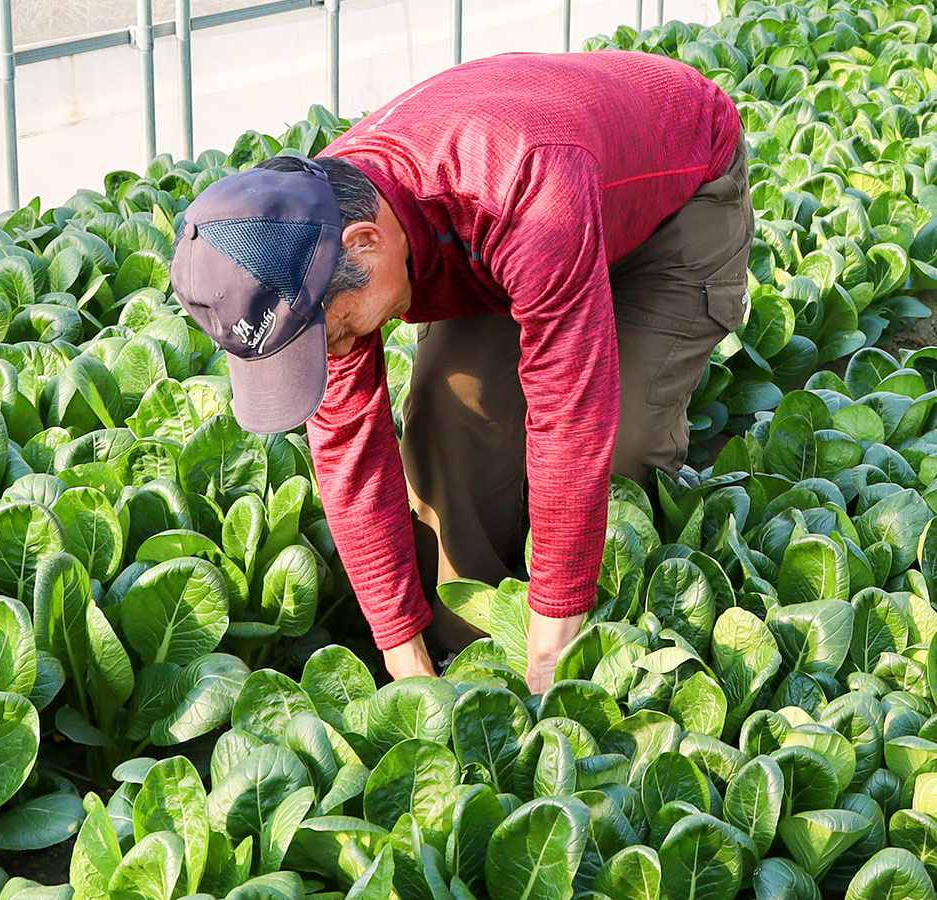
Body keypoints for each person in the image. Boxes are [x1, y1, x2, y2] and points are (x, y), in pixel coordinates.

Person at [168, 49, 751, 692]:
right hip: (520, 228)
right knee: (450, 423)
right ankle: (467, 649)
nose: (333, 353)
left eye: (333, 332)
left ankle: (598, 646)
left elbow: (570, 410)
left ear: (365, 242)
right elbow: (348, 450)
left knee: (619, 450)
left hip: (675, 195)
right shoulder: (304, 231)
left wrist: (556, 634)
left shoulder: (518, 188)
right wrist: (403, 655)